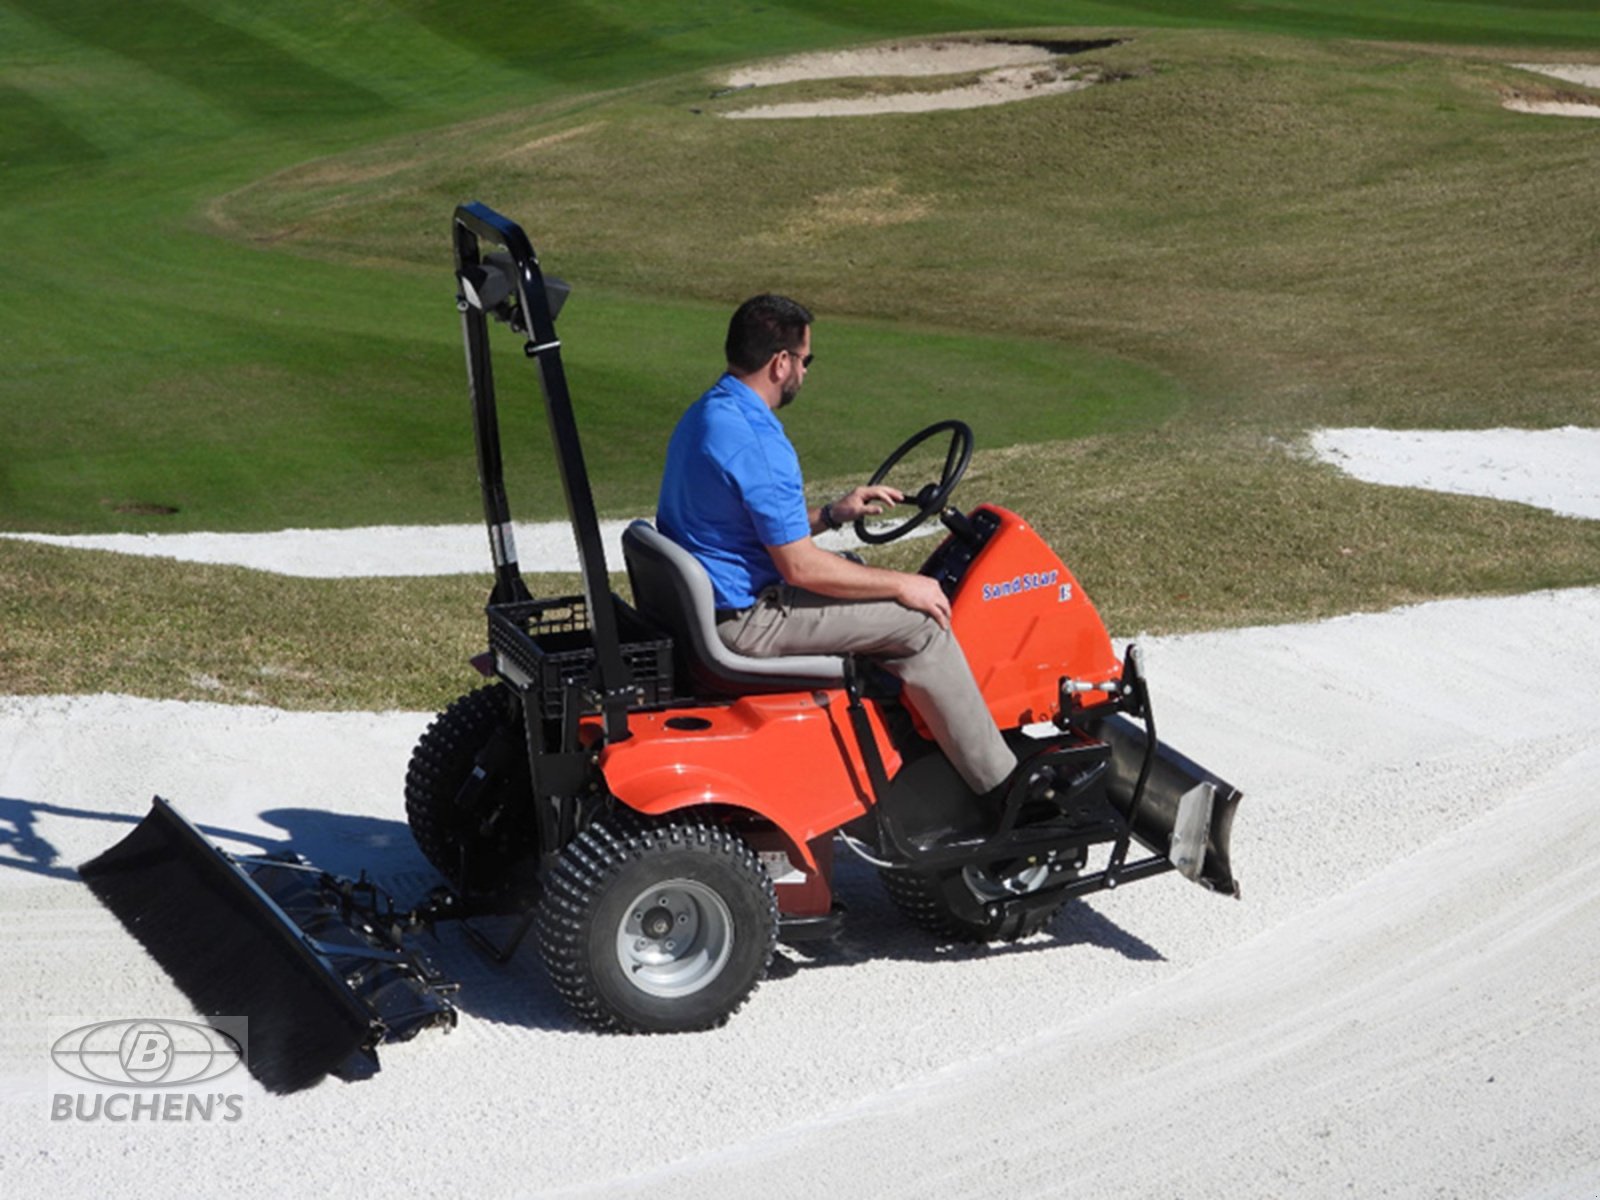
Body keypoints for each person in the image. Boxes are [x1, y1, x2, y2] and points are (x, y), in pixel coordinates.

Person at [656, 294, 1019, 798]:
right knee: (920, 622)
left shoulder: (708, 414)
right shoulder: (761, 442)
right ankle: (1005, 790)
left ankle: (906, 744)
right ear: (781, 362)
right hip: (745, 620)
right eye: (806, 360)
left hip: (716, 603)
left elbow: (750, 528)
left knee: (854, 568)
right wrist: (905, 584)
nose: (805, 372)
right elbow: (801, 568)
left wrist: (831, 515)